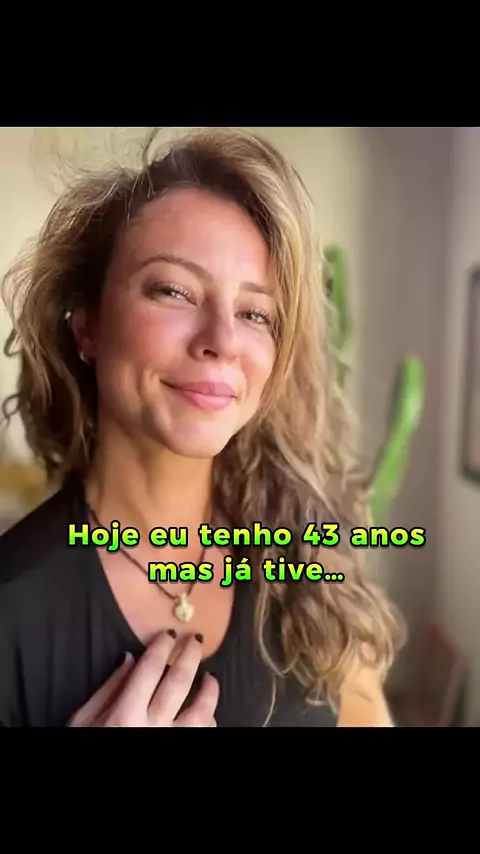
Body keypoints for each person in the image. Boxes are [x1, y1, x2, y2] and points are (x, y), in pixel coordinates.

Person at [0, 127, 404, 727]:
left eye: (255, 313)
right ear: (88, 326)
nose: (222, 339)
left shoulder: (316, 571)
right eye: (174, 290)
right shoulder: (12, 606)